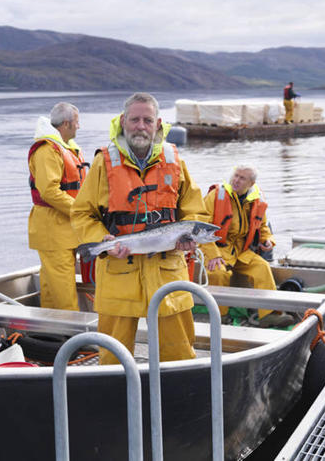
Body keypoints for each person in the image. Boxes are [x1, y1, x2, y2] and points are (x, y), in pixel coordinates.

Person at [71, 92, 209, 365]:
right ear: (124, 121)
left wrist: (189, 240)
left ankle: (177, 400)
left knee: (178, 355)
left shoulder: (176, 161)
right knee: (112, 358)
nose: (141, 126)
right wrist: (103, 241)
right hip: (118, 270)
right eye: (135, 119)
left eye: (147, 120)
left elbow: (194, 211)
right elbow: (81, 213)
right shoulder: (103, 162)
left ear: (158, 124)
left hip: (167, 273)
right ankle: (116, 401)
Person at [199, 165, 294, 328]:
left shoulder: (258, 199)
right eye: (235, 176)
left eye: (242, 178)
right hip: (218, 249)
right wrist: (213, 254)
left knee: (262, 268)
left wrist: (267, 240)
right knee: (218, 273)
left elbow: (263, 226)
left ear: (251, 183)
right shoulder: (216, 195)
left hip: (242, 252)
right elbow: (201, 227)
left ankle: (268, 315)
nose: (236, 180)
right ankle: (221, 316)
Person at [28, 102, 87, 311]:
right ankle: (76, 342)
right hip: (53, 231)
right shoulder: (47, 151)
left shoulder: (63, 148)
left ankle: (54, 337)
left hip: (63, 230)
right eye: (77, 122)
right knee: (63, 291)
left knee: (52, 287)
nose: (78, 127)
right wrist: (81, 212)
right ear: (66, 123)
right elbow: (49, 191)